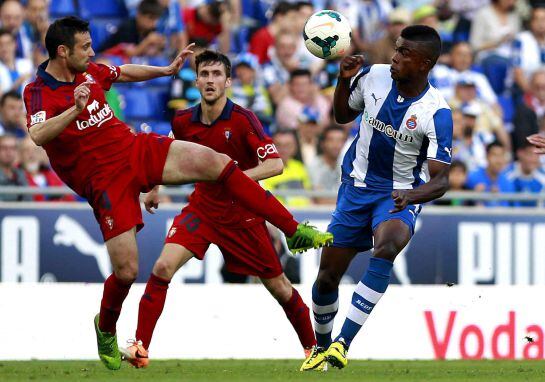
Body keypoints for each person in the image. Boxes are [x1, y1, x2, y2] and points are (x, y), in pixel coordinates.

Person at [23, 16, 332, 371]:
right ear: (63, 52)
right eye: (85, 47)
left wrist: (166, 70)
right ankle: (105, 327)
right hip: (105, 182)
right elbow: (38, 134)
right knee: (126, 272)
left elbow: (122, 72)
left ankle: (293, 231)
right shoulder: (38, 91)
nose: (92, 52)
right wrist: (74, 110)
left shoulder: (89, 70)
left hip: (132, 149)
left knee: (217, 163)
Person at [121, 50, 319, 368]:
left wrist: (232, 179)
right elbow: (168, 152)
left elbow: (275, 164)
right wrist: (155, 186)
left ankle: (314, 349)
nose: (210, 80)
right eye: (204, 74)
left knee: (280, 288)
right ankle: (141, 345)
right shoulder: (183, 121)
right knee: (161, 268)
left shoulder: (243, 119)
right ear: (196, 80)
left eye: (216, 74)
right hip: (202, 210)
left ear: (228, 81)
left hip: (243, 214)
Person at [300, 25, 452, 371]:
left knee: (387, 245)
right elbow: (341, 116)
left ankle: (343, 343)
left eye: (404, 53)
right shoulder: (374, 77)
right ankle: (322, 348)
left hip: (398, 193)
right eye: (396, 49)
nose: (394, 57)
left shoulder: (436, 112)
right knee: (326, 278)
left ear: (424, 63)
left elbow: (441, 181)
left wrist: (411, 194)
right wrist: (343, 80)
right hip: (356, 187)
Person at [0, 134, 31, 201]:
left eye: (12, 148)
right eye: (4, 148)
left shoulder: (21, 174)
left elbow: (28, 201)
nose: (9, 152)